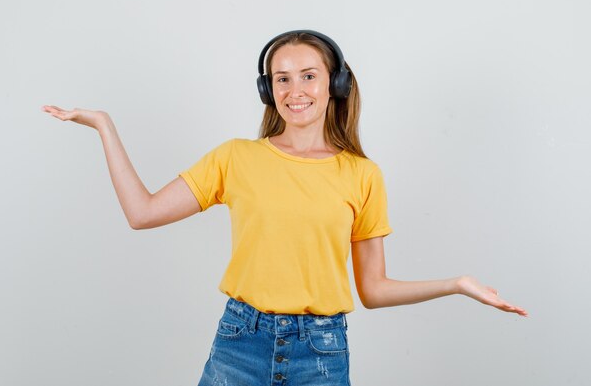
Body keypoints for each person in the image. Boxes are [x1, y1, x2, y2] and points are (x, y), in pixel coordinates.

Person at [41, 30, 527, 385]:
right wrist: (104, 126)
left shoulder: (362, 174)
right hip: (239, 342)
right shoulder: (236, 157)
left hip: (321, 352)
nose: (295, 91)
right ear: (267, 89)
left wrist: (457, 285)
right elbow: (141, 213)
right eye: (282, 79)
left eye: (309, 76)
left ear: (334, 84)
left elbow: (373, 290)